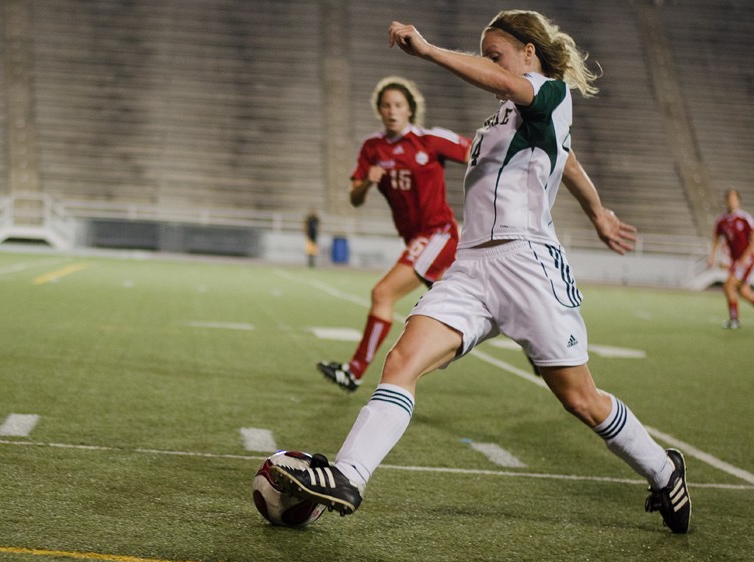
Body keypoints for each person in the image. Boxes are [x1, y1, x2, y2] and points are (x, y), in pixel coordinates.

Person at [273, 10, 691, 534]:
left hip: (527, 264)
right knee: (402, 361)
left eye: (495, 54)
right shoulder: (507, 116)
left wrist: (429, 51)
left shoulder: (550, 92)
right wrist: (598, 212)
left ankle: (664, 472)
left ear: (529, 52)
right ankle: (349, 475)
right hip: (470, 267)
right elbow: (568, 159)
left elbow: (536, 118)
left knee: (580, 398)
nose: (489, 64)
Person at [317, 76, 472, 392]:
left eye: (398, 105)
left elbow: (477, 153)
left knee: (383, 293)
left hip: (438, 234)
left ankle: (354, 371)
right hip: (416, 240)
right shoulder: (372, 148)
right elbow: (354, 199)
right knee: (464, 301)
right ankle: (530, 336)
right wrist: (367, 182)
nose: (392, 111)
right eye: (386, 105)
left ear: (409, 109)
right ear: (379, 110)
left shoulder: (429, 141)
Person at [708, 189, 754, 329]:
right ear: (725, 201)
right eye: (729, 199)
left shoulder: (744, 218)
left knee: (728, 286)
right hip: (735, 261)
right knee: (744, 292)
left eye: (734, 199)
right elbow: (716, 239)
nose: (731, 201)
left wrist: (745, 257)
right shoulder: (721, 220)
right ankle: (734, 320)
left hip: (746, 259)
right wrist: (712, 256)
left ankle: (734, 320)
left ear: (738, 201)